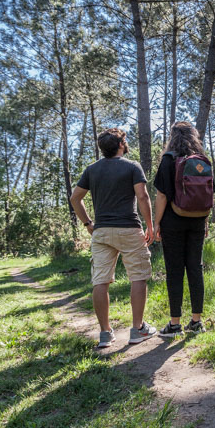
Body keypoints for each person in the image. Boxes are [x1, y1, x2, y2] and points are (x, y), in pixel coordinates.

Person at [70, 128, 156, 348]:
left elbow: (75, 198)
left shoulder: (92, 170)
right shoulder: (132, 167)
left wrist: (88, 223)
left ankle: (105, 334)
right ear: (120, 145)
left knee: (101, 281)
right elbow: (143, 196)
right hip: (129, 228)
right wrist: (150, 225)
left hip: (102, 232)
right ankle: (137, 330)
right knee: (138, 277)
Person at [153, 121, 210, 337]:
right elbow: (208, 196)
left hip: (172, 221)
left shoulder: (168, 159)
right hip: (197, 220)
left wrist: (157, 222)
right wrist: (204, 221)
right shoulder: (201, 162)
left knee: (175, 271)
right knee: (196, 268)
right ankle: (196, 322)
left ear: (173, 137)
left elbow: (161, 195)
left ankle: (174, 325)